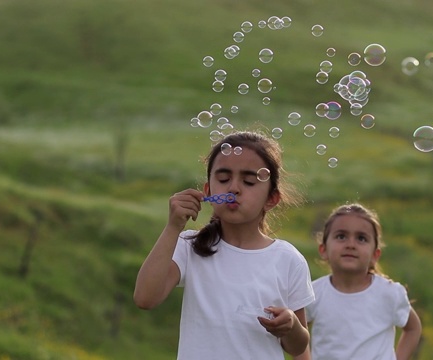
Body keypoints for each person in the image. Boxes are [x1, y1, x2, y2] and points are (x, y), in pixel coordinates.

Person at [134, 131, 315, 359]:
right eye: (223, 179)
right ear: (208, 191)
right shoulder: (190, 246)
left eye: (249, 181)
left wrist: (291, 326)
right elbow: (145, 298)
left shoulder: (287, 259)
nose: (234, 188)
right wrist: (173, 227)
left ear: (271, 199)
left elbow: (299, 348)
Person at [295, 203, 422, 360]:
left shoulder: (389, 293)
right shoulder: (313, 293)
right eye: (341, 236)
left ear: (375, 255)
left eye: (361, 238)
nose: (350, 245)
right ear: (323, 250)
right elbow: (296, 334)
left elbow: (413, 328)